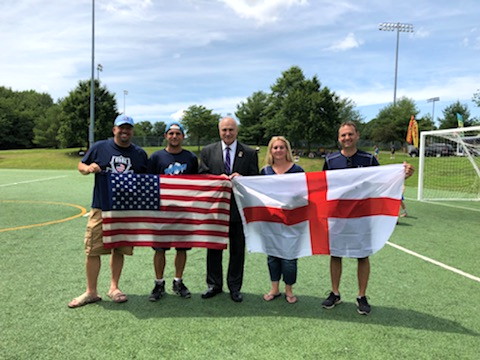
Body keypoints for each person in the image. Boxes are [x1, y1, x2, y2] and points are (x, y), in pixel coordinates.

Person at [321, 121, 414, 315]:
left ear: (357, 135)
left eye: (350, 134)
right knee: (335, 253)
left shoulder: (369, 159)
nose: (347, 138)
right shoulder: (330, 160)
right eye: (343, 135)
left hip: (362, 217)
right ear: (339, 138)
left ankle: (361, 296)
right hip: (338, 216)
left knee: (362, 255)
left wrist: (403, 175)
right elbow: (322, 187)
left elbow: (383, 181)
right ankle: (335, 292)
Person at [68, 115, 148, 308]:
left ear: (132, 132)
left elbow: (148, 179)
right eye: (121, 128)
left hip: (126, 209)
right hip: (101, 206)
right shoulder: (100, 147)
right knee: (93, 249)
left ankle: (114, 287)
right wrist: (88, 168)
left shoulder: (139, 154)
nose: (125, 132)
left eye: (128, 129)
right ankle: (91, 292)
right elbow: (81, 165)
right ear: (114, 130)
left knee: (118, 248)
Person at [199, 116, 259, 302]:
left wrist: (242, 178)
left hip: (238, 209)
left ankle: (235, 287)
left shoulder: (249, 153)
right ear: (219, 131)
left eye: (231, 129)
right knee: (213, 248)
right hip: (215, 209)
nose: (227, 133)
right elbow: (202, 176)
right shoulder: (208, 151)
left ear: (237, 131)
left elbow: (255, 179)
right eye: (224, 130)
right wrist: (217, 180)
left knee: (237, 250)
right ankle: (214, 284)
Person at [147, 121, 198, 301]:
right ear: (165, 136)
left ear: (183, 136)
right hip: (161, 211)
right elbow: (148, 183)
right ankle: (159, 283)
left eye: (178, 133)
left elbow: (197, 183)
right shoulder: (156, 158)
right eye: (171, 133)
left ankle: (178, 281)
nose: (174, 136)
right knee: (159, 249)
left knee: (182, 248)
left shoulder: (191, 158)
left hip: (183, 211)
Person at [260, 136, 304, 304]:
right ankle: (274, 288)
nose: (278, 150)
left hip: (292, 221)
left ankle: (289, 289)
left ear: (287, 150)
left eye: (281, 147)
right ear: (271, 150)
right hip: (271, 221)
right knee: (272, 256)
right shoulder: (265, 171)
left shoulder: (297, 170)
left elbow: (304, 194)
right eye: (275, 148)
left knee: (289, 257)